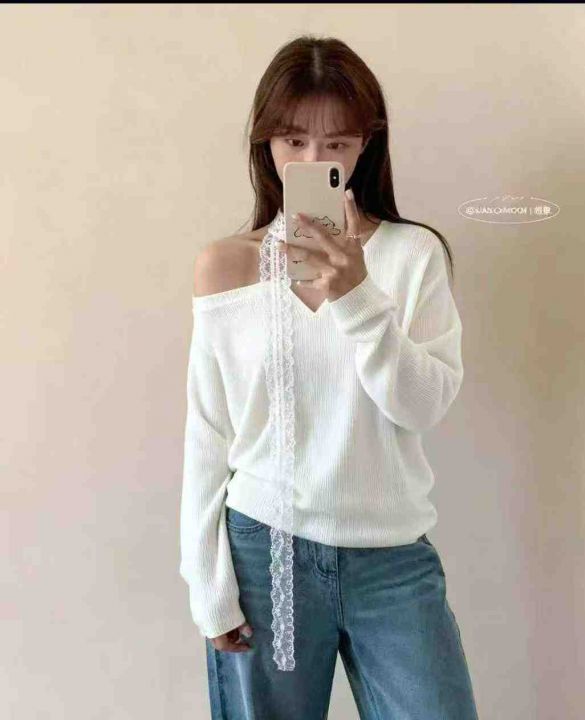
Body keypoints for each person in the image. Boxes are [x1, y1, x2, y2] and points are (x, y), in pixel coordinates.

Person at [180, 34, 480, 719]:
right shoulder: (226, 265)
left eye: (336, 143)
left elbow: (422, 406)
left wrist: (356, 296)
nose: (314, 162)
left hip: (391, 561)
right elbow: (207, 431)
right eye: (293, 141)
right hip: (265, 553)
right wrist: (207, 583)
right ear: (265, 144)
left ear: (365, 145)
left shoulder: (412, 255)